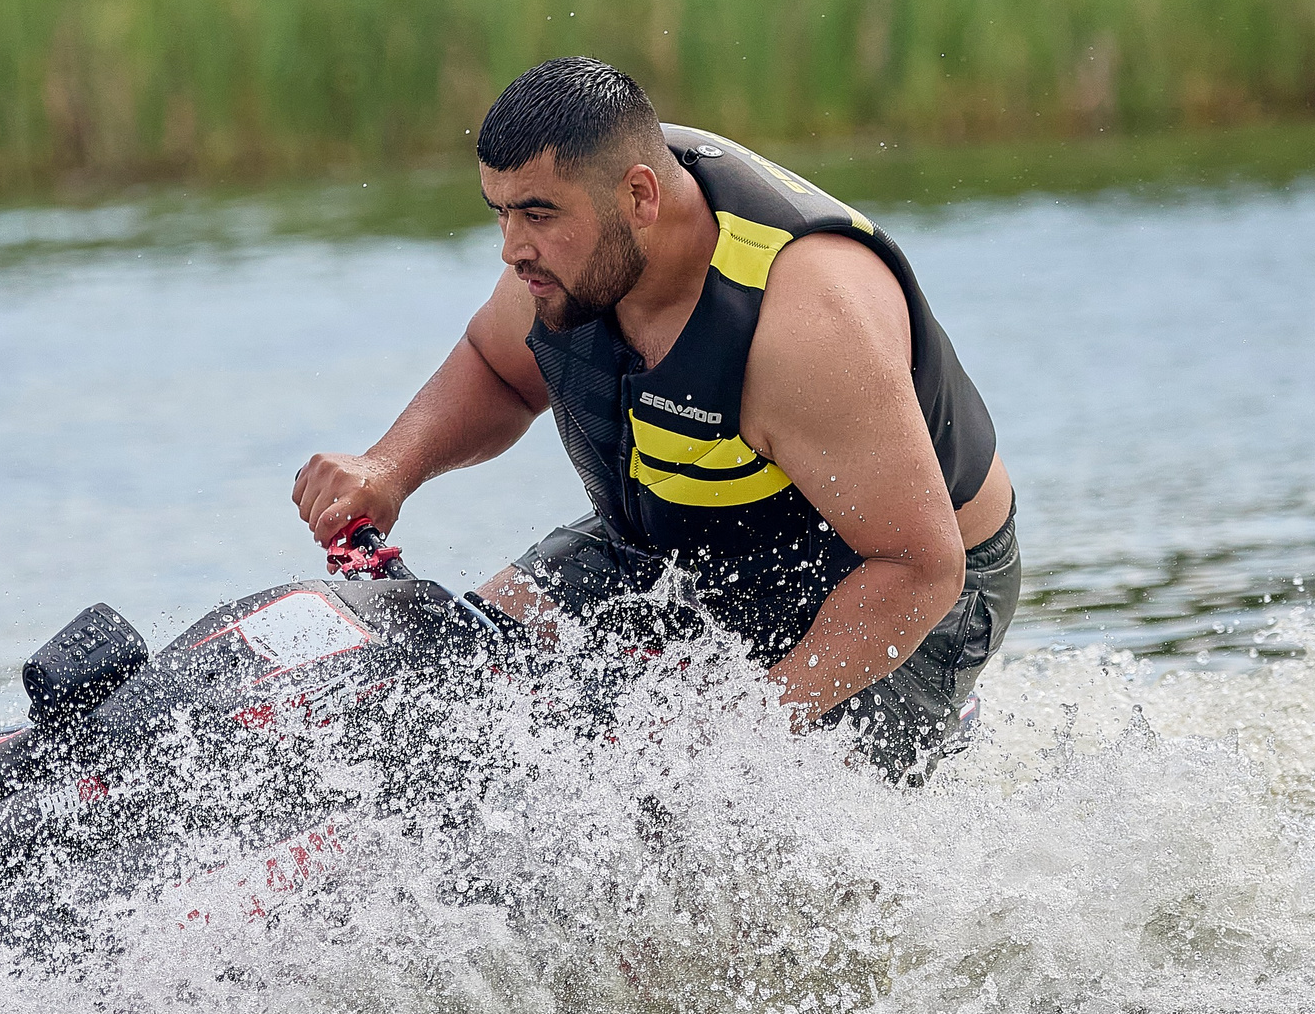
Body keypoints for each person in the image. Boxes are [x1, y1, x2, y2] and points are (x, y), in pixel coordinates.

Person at [293, 57, 1018, 776]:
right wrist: (388, 468)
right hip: (679, 538)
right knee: (457, 675)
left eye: (537, 215)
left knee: (690, 805)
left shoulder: (805, 322)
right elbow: (498, 369)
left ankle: (937, 723)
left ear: (640, 196)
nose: (512, 249)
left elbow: (921, 568)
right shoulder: (572, 249)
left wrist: (733, 736)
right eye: (501, 213)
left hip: (896, 579)